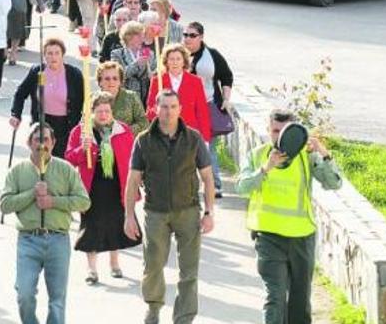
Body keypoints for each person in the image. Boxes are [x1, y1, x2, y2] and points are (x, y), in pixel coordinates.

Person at [236, 109, 342, 324]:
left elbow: (334, 183)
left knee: (299, 302)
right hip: (268, 237)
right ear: (268, 131)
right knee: (274, 297)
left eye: (285, 131)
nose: (279, 137)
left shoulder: (306, 157)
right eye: (275, 131)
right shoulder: (258, 155)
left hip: (301, 238)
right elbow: (242, 187)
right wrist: (266, 169)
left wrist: (323, 152)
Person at [124, 89, 216, 324]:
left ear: (180, 109)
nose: (168, 111)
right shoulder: (143, 140)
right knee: (153, 264)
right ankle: (153, 308)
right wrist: (129, 216)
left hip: (188, 210)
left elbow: (207, 177)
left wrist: (209, 212)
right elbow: (133, 180)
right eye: (164, 106)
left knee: (189, 270)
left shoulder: (193, 138)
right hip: (155, 212)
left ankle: (184, 318)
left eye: (173, 106)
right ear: (155, 109)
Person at [0, 122, 91, 324]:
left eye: (46, 140)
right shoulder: (17, 170)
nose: (42, 145)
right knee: (24, 294)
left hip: (58, 240)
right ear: (28, 142)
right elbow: (5, 205)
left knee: (57, 301)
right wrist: (31, 194)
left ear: (54, 142)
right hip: (28, 240)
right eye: (37, 140)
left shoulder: (65, 169)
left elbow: (84, 202)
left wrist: (53, 202)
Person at [65, 92, 140, 285]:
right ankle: (91, 269)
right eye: (99, 111)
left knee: (115, 224)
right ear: (92, 112)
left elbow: (134, 158)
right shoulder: (82, 132)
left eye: (107, 111)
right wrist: (83, 148)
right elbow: (69, 158)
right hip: (92, 185)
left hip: (116, 185)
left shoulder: (121, 130)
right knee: (91, 227)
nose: (104, 115)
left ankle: (115, 264)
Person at [10, 38, 83, 159]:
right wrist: (15, 114)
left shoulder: (74, 74)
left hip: (66, 125)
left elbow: (84, 101)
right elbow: (20, 94)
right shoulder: (37, 72)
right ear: (44, 55)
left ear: (62, 55)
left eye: (56, 53)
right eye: (49, 53)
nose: (53, 57)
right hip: (42, 122)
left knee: (61, 162)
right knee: (41, 160)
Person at [184, 21, 233, 197]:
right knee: (185, 147)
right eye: (185, 35)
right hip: (184, 107)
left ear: (201, 37)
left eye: (192, 35)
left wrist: (226, 99)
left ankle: (215, 185)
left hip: (208, 105)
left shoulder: (212, 55)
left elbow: (226, 76)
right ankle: (189, 185)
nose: (188, 39)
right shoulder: (178, 55)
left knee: (208, 146)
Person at [146, 44, 212, 144]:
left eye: (178, 59)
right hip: (164, 135)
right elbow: (150, 110)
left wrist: (205, 139)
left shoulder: (195, 81)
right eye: (171, 59)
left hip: (188, 135)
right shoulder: (157, 81)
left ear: (184, 61)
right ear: (166, 62)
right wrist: (157, 111)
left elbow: (202, 111)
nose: (175, 62)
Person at [95, 61, 149, 136]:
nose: (111, 82)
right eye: (107, 79)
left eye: (115, 78)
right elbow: (84, 125)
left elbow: (144, 123)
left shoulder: (131, 97)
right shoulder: (92, 99)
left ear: (120, 81)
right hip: (99, 143)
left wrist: (123, 131)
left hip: (126, 143)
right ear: (100, 81)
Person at [111, 21, 156, 105]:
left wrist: (148, 67)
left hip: (145, 99)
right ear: (128, 36)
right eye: (139, 35)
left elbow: (154, 77)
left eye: (142, 35)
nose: (142, 38)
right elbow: (119, 75)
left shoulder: (150, 53)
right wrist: (136, 64)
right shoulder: (117, 54)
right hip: (125, 99)